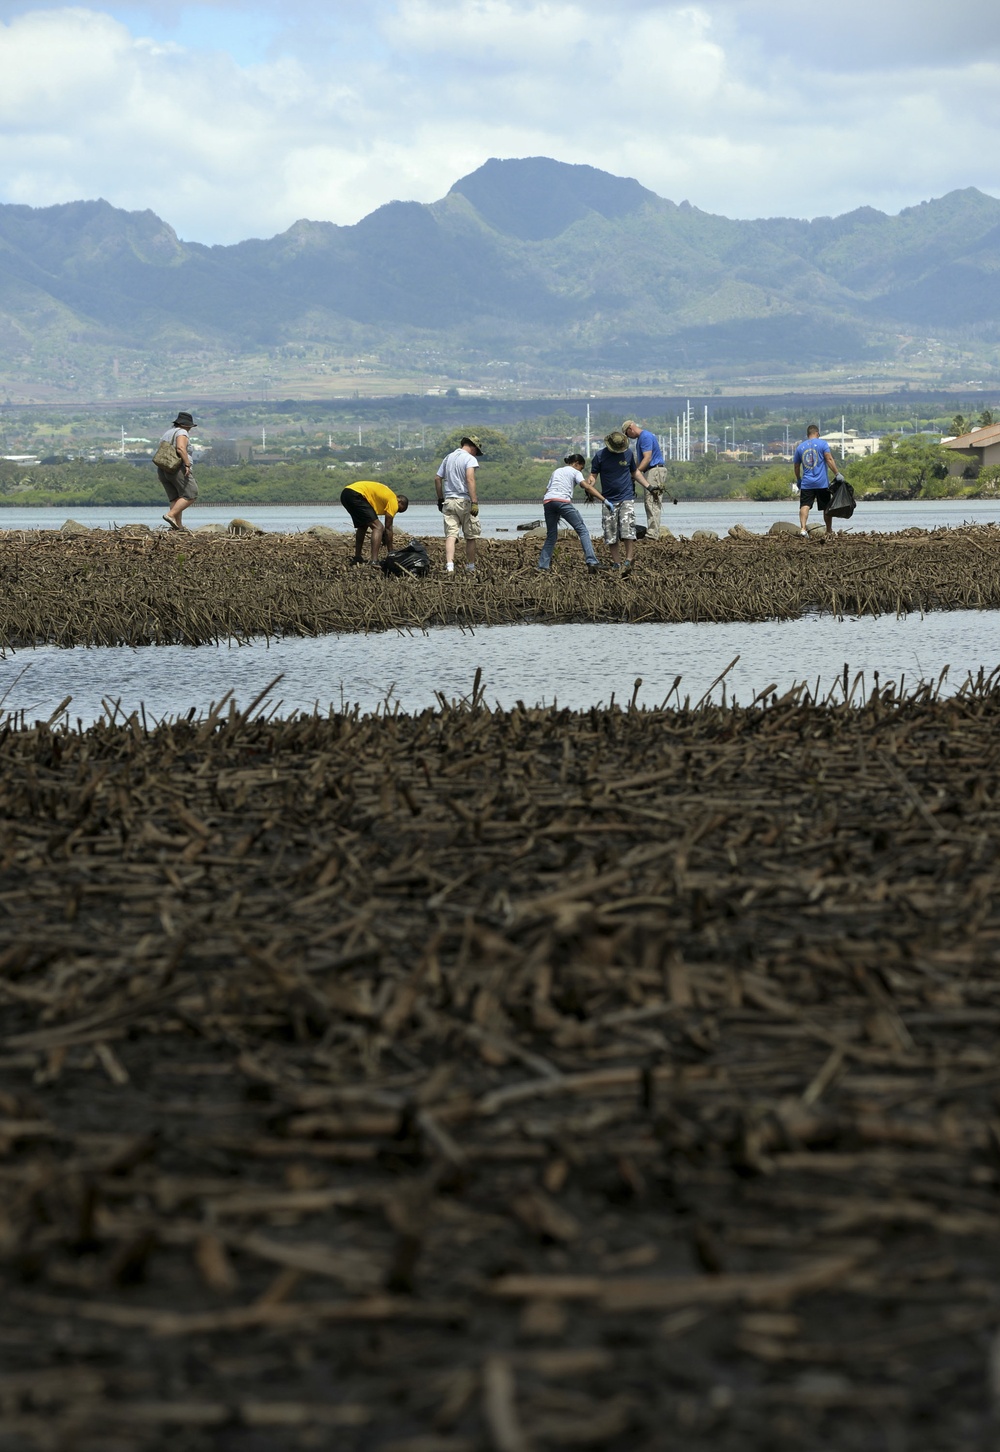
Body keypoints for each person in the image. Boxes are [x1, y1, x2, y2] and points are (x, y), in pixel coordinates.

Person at [586, 429, 646, 572]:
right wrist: (590, 483)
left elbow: (635, 472)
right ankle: (617, 562)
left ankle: (629, 560)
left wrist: (649, 487)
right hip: (608, 500)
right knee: (610, 532)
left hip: (626, 498)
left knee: (628, 530)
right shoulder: (600, 456)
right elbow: (593, 474)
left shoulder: (628, 454)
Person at [536, 453, 608, 573]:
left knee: (551, 536)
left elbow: (547, 490)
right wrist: (604, 500)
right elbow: (587, 487)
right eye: (582, 467)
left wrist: (553, 509)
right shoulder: (575, 472)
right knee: (582, 530)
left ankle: (542, 567)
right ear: (576, 464)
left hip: (548, 502)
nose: (581, 470)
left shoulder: (556, 471)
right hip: (562, 501)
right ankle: (592, 562)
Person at [435, 435, 482, 574]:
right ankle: (471, 566)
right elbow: (470, 479)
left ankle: (450, 566)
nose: (476, 455)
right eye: (476, 451)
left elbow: (437, 479)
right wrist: (474, 502)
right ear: (472, 447)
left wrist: (440, 499)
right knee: (471, 535)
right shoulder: (469, 458)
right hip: (464, 501)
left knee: (451, 534)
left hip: (448, 501)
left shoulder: (448, 457)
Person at [793, 425, 846, 538]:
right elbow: (829, 459)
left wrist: (798, 479)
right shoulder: (823, 444)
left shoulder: (800, 447)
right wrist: (837, 473)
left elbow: (796, 466)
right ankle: (828, 531)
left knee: (805, 505)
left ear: (808, 434)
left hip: (807, 483)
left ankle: (803, 529)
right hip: (822, 483)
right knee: (827, 507)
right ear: (817, 433)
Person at [340, 480, 409, 565]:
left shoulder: (386, 495)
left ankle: (357, 557)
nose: (395, 512)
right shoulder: (393, 500)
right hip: (356, 494)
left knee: (363, 525)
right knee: (378, 527)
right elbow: (388, 528)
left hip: (346, 494)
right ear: (400, 501)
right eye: (398, 510)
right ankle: (374, 560)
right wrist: (391, 552)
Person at [622, 420, 666, 539]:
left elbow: (647, 458)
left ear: (631, 428)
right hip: (649, 471)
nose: (628, 437)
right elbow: (639, 461)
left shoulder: (645, 436)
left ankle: (652, 534)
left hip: (654, 470)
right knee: (649, 502)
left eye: (627, 434)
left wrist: (636, 473)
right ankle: (653, 531)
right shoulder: (640, 439)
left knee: (652, 501)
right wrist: (633, 473)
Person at [157, 411, 199, 530]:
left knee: (175, 498)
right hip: (177, 468)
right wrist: (187, 464)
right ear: (186, 425)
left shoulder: (167, 433)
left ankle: (178, 526)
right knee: (191, 493)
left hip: (163, 468)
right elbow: (180, 448)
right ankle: (170, 515)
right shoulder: (182, 432)